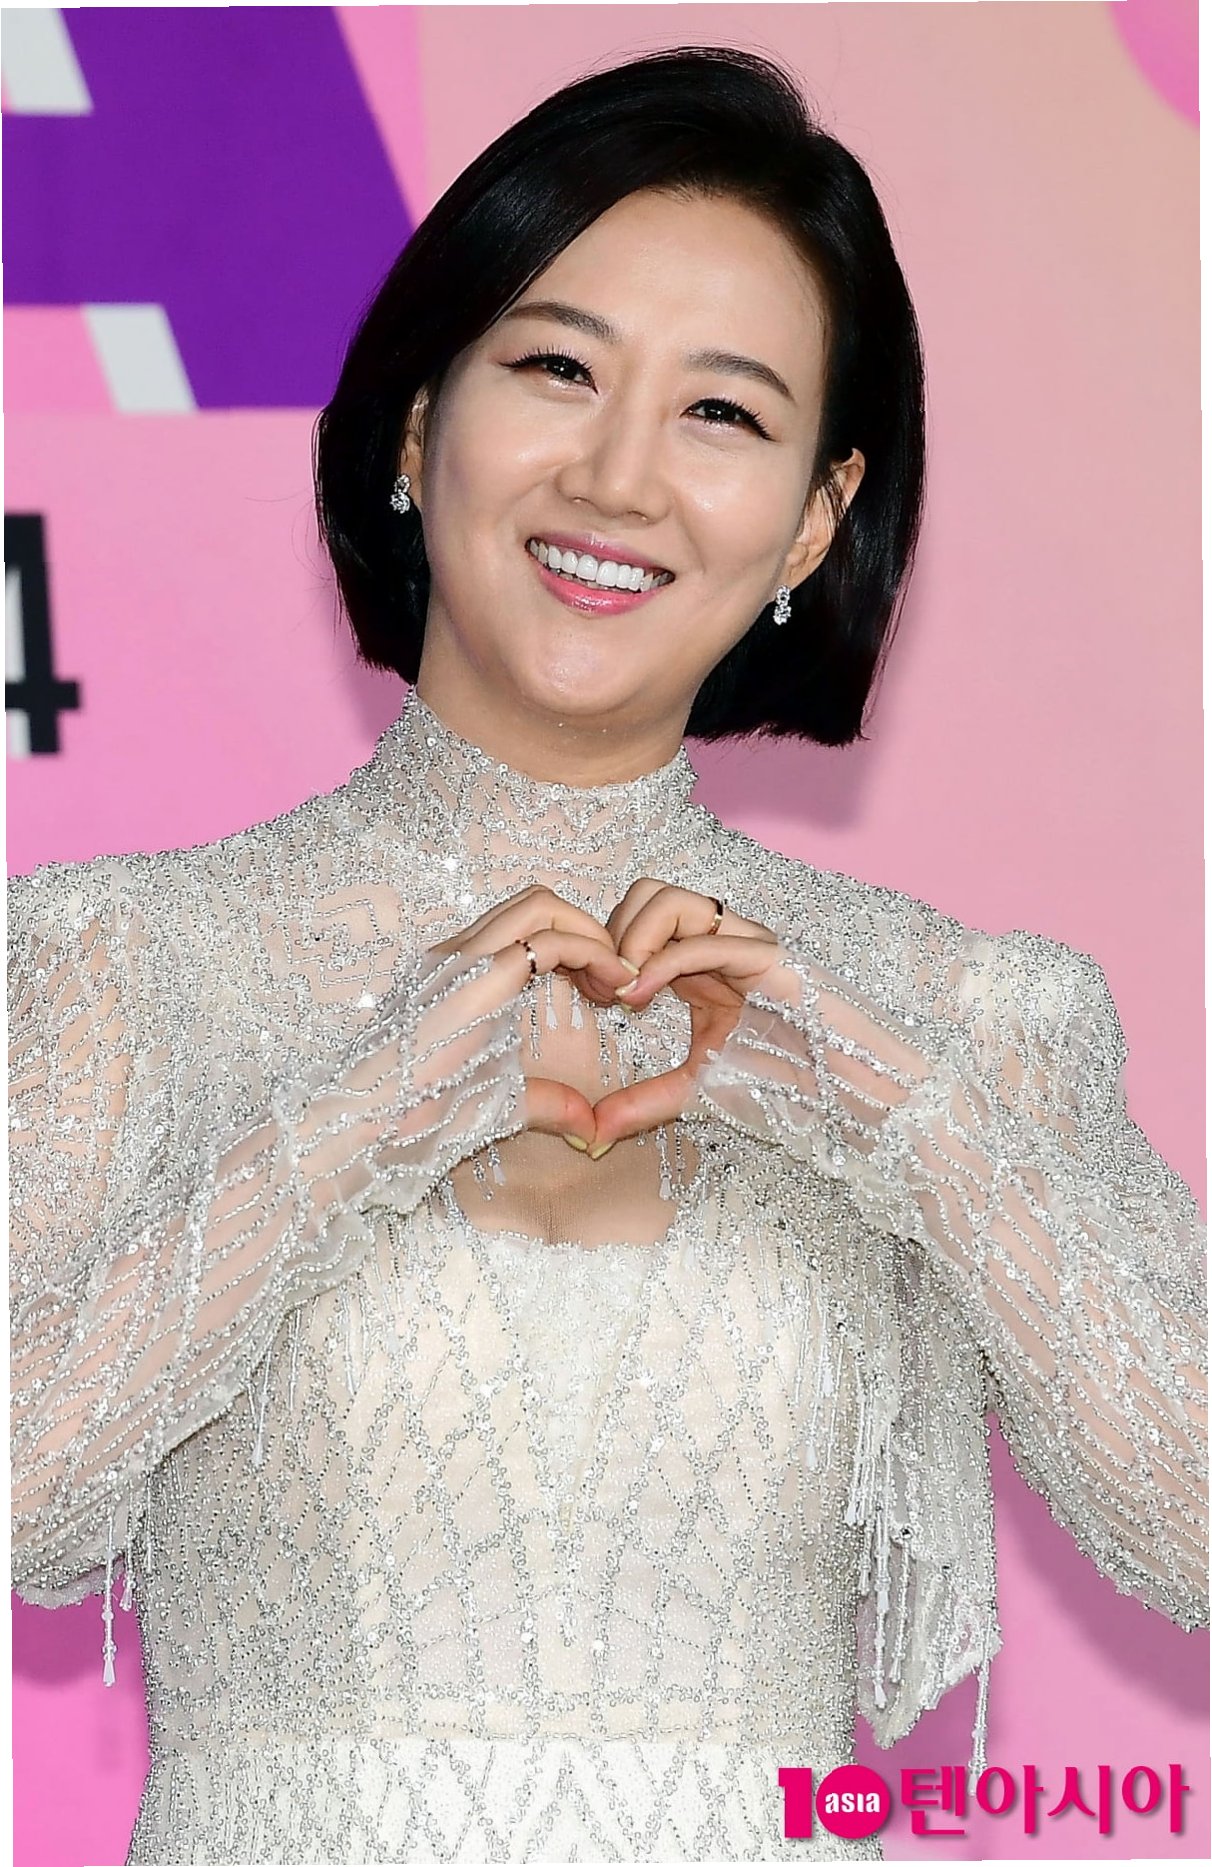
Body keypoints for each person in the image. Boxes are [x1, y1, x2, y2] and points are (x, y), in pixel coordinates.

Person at [9, 44, 1206, 1867]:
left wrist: (900, 1120)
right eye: (559, 369)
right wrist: (355, 1123)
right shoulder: (119, 963)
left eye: (723, 412)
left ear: (816, 517)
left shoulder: (961, 1015)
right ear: (418, 424)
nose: (622, 476)